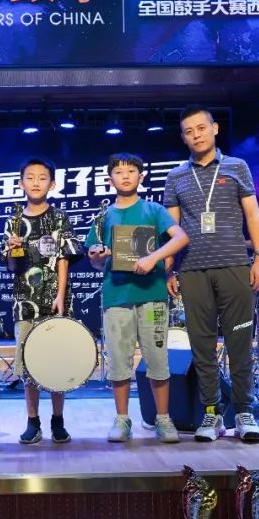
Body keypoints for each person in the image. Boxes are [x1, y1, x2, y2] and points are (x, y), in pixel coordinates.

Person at [163, 105, 259, 443]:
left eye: (201, 128)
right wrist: (169, 269)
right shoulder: (176, 176)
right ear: (183, 137)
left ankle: (244, 412)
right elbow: (171, 227)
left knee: (240, 343)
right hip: (192, 269)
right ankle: (212, 413)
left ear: (215, 129)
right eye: (189, 131)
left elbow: (253, 214)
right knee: (202, 346)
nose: (196, 135)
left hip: (235, 265)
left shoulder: (237, 166)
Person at [85, 153, 189, 443]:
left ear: (141, 177)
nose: (126, 176)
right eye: (119, 172)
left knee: (157, 359)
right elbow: (95, 261)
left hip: (152, 295)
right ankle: (122, 419)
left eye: (131, 171)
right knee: (119, 361)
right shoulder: (103, 216)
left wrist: (153, 257)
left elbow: (181, 237)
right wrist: (99, 256)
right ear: (110, 180)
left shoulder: (154, 210)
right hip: (117, 296)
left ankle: (163, 419)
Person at [2, 157, 83, 444]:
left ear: (52, 184)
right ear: (20, 182)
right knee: (28, 365)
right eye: (30, 177)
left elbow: (64, 259)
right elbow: (11, 266)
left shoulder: (59, 217)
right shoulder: (13, 220)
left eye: (42, 177)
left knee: (57, 362)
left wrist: (60, 295)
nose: (36, 182)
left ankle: (57, 420)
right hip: (25, 302)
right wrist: (13, 249)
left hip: (56, 301)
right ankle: (32, 421)